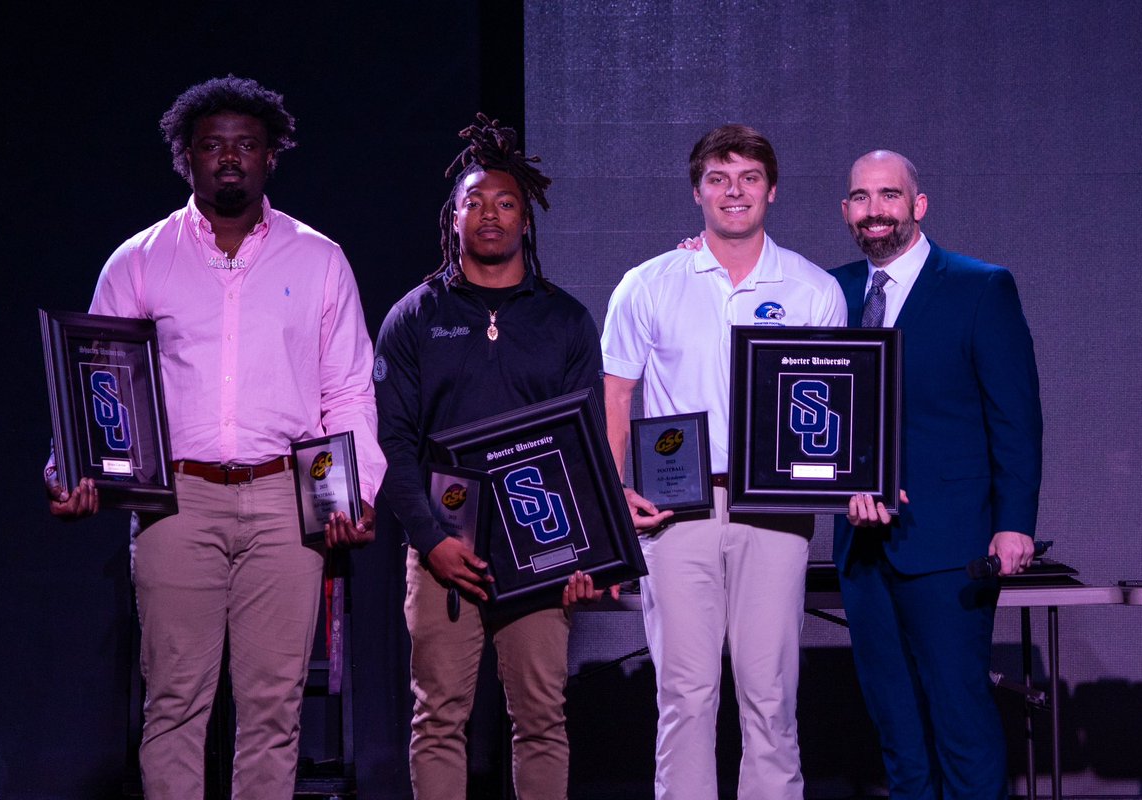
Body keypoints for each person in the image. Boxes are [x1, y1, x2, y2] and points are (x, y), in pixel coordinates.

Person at [45, 76, 385, 800]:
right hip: (177, 503)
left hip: (284, 503)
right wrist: (70, 467)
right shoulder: (139, 259)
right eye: (213, 146)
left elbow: (349, 388)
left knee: (273, 709)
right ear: (187, 158)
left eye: (246, 145)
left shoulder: (319, 258)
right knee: (173, 705)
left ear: (271, 156)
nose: (230, 158)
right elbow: (98, 384)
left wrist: (354, 493)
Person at [601, 124, 846, 800]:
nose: (733, 191)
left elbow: (833, 400)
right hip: (676, 512)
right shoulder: (649, 284)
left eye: (747, 178)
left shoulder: (813, 288)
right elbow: (616, 394)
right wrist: (614, 491)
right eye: (718, 178)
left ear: (772, 189)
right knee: (686, 691)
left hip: (776, 510)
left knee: (770, 693)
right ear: (697, 192)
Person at [373, 114, 607, 800]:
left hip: (540, 546)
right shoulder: (415, 316)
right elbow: (393, 441)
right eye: (474, 202)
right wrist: (431, 540)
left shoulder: (564, 319)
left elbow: (584, 442)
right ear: (453, 218)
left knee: (540, 719)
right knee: (438, 719)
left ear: (526, 220)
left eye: (506, 203)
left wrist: (580, 551)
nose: (490, 215)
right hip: (445, 544)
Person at [832, 150, 1042, 800]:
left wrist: (1013, 526)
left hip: (950, 548)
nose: (875, 210)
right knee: (896, 734)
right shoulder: (827, 291)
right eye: (861, 198)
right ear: (846, 210)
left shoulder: (980, 287)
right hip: (862, 551)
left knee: (962, 724)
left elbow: (1016, 418)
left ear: (918, 206)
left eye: (889, 195)